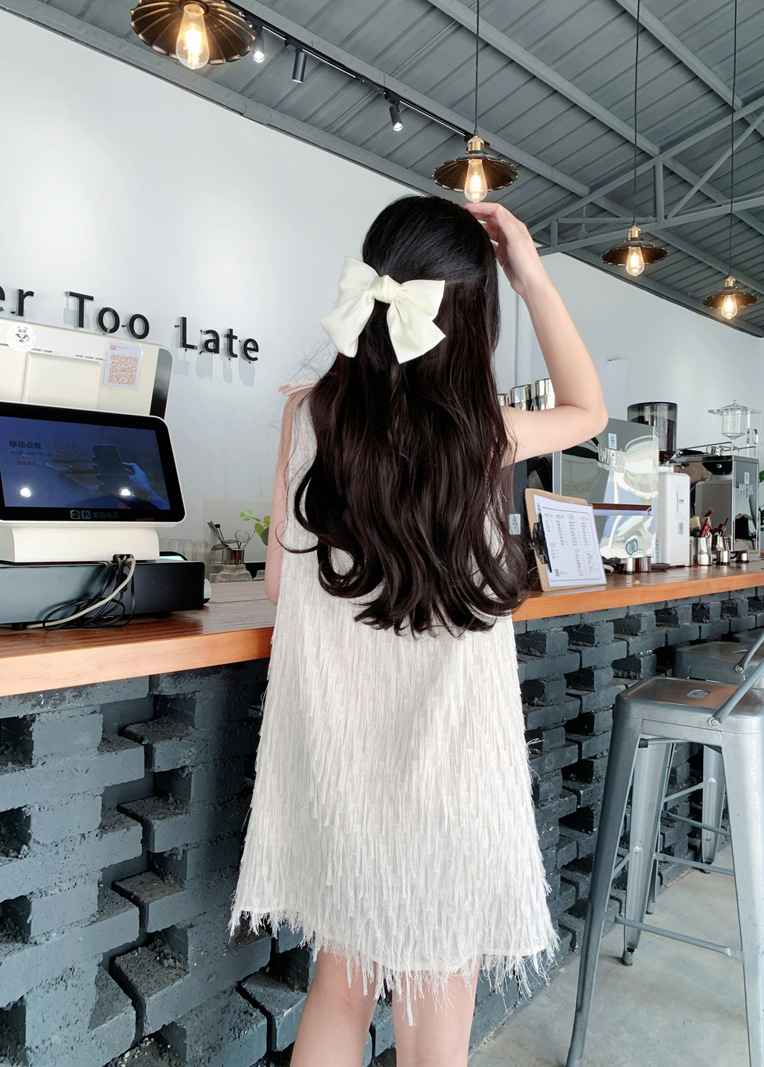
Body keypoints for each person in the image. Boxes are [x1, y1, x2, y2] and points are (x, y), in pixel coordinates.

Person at [228, 195, 608, 1067]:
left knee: (339, 982)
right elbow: (588, 407)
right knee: (439, 1007)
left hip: (338, 764)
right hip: (452, 773)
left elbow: (284, 584)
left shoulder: (308, 410)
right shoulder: (484, 435)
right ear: (469, 321)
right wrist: (531, 267)